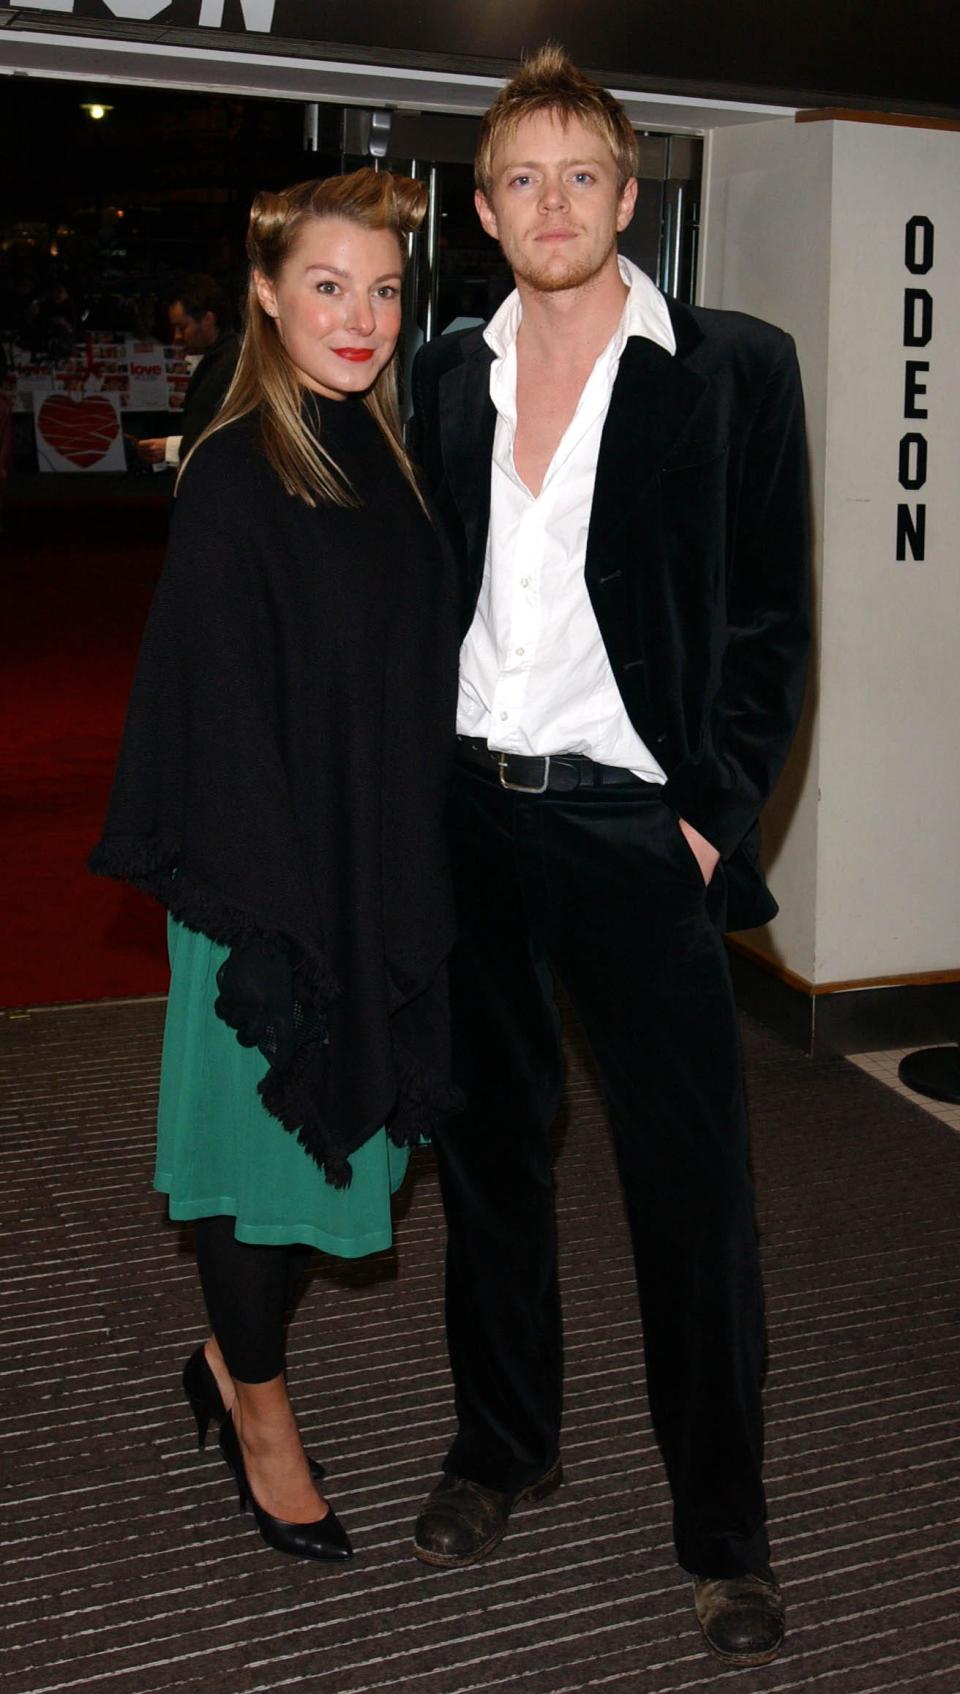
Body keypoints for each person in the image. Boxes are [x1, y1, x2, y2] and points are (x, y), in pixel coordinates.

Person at [408, 45, 810, 1666]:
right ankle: (506, 1441)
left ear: (629, 195)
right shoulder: (445, 371)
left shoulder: (734, 367)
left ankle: (726, 1529)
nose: (553, 202)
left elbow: (775, 618)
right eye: (523, 177)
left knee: (691, 1194)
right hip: (469, 819)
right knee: (491, 1157)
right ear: (488, 205)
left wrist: (708, 812)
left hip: (632, 827)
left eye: (584, 174)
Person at [91, 169, 459, 1563]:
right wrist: (299, 919)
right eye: (327, 284)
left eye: (382, 288)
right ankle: (258, 1412)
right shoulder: (242, 467)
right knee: (264, 1174)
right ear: (263, 291)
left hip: (364, 869)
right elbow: (210, 714)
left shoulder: (384, 447)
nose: (360, 315)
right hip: (270, 894)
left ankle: (220, 1358)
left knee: (337, 1161)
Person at [134, 274, 240, 466]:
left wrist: (171, 447)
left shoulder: (230, 364)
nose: (177, 337)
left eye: (182, 327)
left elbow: (223, 437)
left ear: (207, 320)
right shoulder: (220, 358)